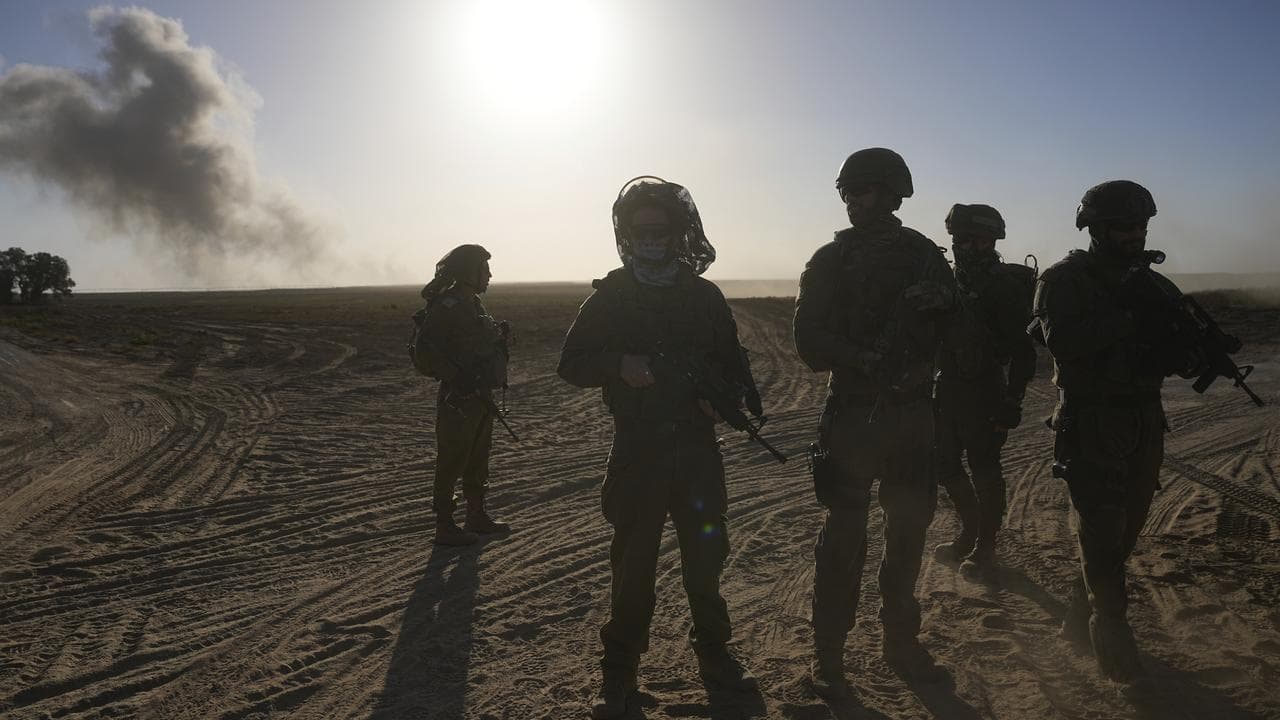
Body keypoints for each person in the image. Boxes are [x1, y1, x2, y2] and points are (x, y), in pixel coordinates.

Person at [558, 176, 759, 719]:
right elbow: (570, 363)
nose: (651, 239)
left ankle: (716, 658)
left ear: (677, 233)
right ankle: (618, 676)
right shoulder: (612, 296)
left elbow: (733, 365)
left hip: (697, 453)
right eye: (640, 230)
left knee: (705, 563)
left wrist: (725, 399)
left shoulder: (703, 296)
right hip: (638, 454)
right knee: (633, 570)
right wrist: (618, 364)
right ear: (626, 233)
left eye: (660, 230)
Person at [794, 148, 957, 697]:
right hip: (854, 416)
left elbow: (962, 332)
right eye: (847, 192)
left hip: (913, 415)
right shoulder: (830, 261)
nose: (852, 201)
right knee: (843, 539)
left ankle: (901, 642)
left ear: (892, 194)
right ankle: (830, 658)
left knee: (908, 533)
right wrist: (862, 358)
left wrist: (943, 305)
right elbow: (808, 342)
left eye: (862, 191)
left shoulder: (924, 256)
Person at [1032, 180, 1207, 682]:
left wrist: (1185, 352)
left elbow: (1170, 348)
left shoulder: (1152, 283)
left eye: (1141, 225)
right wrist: (1131, 317)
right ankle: (1110, 631)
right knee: (1102, 525)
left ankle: (1079, 611)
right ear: (1097, 227)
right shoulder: (1065, 279)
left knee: (1125, 528)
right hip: (1090, 419)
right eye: (1124, 226)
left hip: (1143, 417)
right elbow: (1063, 342)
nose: (1135, 234)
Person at [932, 204, 1037, 581]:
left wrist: (1012, 400)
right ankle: (971, 532)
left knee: (984, 469)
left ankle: (985, 546)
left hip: (985, 389)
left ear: (992, 241)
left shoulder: (1002, 286)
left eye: (976, 239)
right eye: (961, 238)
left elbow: (1024, 353)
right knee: (944, 464)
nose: (967, 246)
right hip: (945, 386)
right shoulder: (946, 280)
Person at [418, 244, 512, 546]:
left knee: (477, 458)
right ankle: (444, 525)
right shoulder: (448, 306)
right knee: (452, 459)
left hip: (480, 396)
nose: (489, 275)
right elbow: (424, 351)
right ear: (469, 272)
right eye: (484, 270)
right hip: (458, 398)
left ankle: (476, 516)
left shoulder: (473, 305)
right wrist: (456, 378)